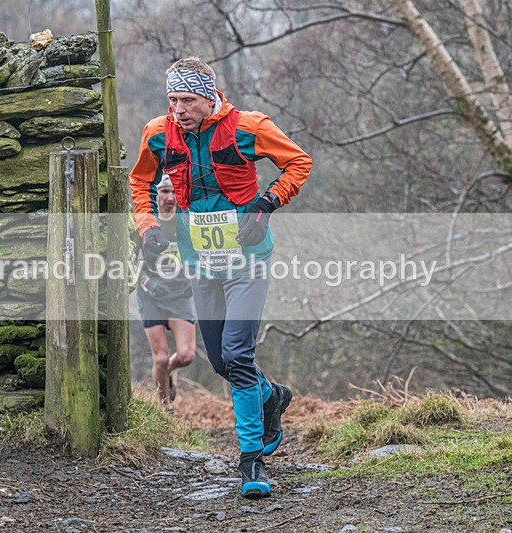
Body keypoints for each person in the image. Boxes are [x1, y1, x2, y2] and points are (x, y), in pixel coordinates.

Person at [129, 56, 312, 499]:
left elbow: (299, 163)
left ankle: (251, 459)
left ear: (210, 98)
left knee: (236, 350)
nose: (179, 109)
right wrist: (148, 227)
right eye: (172, 99)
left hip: (248, 261)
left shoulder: (248, 126)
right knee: (221, 361)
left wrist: (266, 204)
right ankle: (271, 395)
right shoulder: (157, 133)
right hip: (200, 264)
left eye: (188, 100)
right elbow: (139, 183)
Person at [135, 173, 197, 411]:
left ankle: (170, 372)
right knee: (160, 358)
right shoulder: (144, 221)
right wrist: (146, 282)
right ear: (156, 194)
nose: (170, 197)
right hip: (151, 294)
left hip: (180, 293)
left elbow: (201, 254)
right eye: (164, 191)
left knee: (186, 355)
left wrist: (196, 277)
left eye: (174, 192)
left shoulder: (187, 220)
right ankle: (165, 410)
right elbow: (126, 259)